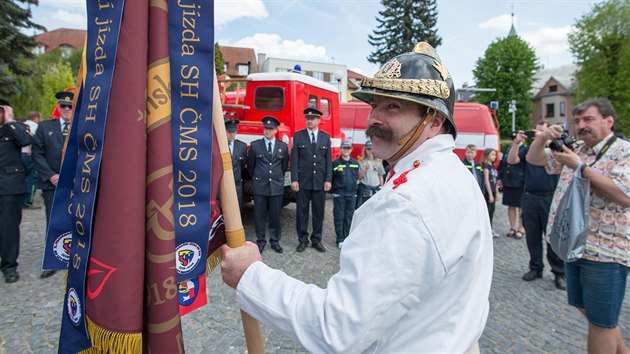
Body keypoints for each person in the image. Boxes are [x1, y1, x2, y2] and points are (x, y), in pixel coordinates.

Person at [221, 42, 493, 353]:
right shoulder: (452, 173)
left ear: (434, 120)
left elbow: (337, 327)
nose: (373, 118)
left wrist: (251, 277)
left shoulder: (409, 202)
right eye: (375, 105)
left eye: (392, 106)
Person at [527, 98, 629, 354]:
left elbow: (624, 196)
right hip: (572, 245)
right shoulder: (578, 149)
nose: (581, 125)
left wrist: (580, 168)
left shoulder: (624, 151)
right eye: (577, 121)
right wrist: (542, 138)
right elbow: (534, 159)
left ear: (609, 121)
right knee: (594, 314)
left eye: (588, 119)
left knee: (601, 323)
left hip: (606, 251)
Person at [512, 120, 564, 290]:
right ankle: (536, 267)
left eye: (543, 131)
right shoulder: (529, 150)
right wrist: (516, 143)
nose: (539, 133)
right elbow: (512, 161)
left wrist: (549, 140)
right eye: (538, 131)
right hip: (530, 196)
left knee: (552, 237)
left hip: (550, 196)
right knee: (532, 236)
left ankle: (558, 272)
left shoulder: (555, 150)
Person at [33, 91, 74, 279]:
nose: (66, 109)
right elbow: (37, 153)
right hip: (53, 183)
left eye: (70, 106)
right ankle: (52, 259)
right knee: (52, 220)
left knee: (78, 219)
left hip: (77, 184)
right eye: (63, 106)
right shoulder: (45, 127)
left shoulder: (84, 126)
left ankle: (75, 256)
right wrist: (50, 175)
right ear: (58, 107)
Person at [0, 99, 33, 283]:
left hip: (9, 186)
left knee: (8, 228)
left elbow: (26, 140)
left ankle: (9, 266)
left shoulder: (13, 130)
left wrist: (11, 121)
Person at [291, 107, 332, 253]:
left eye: (313, 118)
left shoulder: (325, 137)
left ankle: (316, 240)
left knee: (318, 213)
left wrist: (328, 179)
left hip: (320, 182)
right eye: (308, 118)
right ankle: (302, 240)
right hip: (303, 181)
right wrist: (294, 179)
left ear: (318, 120)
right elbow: (294, 159)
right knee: (301, 212)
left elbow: (328, 160)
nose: (310, 121)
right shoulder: (299, 136)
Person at [248, 116, 289, 254]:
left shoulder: (282, 147)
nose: (268, 131)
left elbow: (283, 167)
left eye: (271, 129)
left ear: (276, 130)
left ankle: (275, 240)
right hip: (260, 186)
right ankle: (260, 241)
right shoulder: (255, 146)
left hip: (276, 186)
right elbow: (251, 167)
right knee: (259, 215)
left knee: (275, 215)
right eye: (266, 128)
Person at [330, 140, 359, 248]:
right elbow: (331, 178)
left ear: (351, 150)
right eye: (344, 148)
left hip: (352, 194)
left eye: (348, 148)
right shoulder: (336, 164)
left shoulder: (355, 163)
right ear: (340, 149)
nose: (346, 150)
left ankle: (347, 237)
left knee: (349, 216)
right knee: (339, 216)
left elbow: (357, 177)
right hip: (339, 193)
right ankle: (340, 239)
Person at [498, 133, 526, 239]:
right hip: (508, 181)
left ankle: (521, 228)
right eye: (513, 138)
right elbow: (503, 164)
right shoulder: (508, 148)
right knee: (510, 206)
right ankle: (512, 227)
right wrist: (500, 178)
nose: (515, 140)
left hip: (520, 181)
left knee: (521, 207)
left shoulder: (524, 149)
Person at [21, 111, 42, 209]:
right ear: (36, 118)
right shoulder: (35, 126)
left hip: (20, 154)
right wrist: (30, 150)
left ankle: (21, 199)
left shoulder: (22, 125)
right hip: (29, 155)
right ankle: (28, 200)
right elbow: (32, 139)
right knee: (31, 177)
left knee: (22, 177)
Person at [355, 140, 385, 209]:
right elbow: (359, 176)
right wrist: (365, 168)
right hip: (365, 188)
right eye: (368, 149)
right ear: (365, 150)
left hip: (375, 188)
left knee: (374, 209)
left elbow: (380, 176)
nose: (370, 151)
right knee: (363, 208)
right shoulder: (361, 161)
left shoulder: (378, 162)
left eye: (372, 149)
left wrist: (382, 187)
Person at [225, 118, 247, 207]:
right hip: (223, 184)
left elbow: (241, 164)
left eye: (234, 132)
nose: (232, 135)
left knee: (236, 208)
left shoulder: (242, 146)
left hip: (236, 184)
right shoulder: (219, 145)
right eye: (230, 132)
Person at [481, 148, 499, 238]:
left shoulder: (492, 166)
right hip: (488, 192)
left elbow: (494, 180)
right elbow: (487, 181)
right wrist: (490, 194)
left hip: (493, 191)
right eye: (492, 154)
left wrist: (497, 192)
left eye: (494, 155)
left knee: (492, 210)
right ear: (487, 156)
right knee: (488, 210)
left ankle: (490, 227)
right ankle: (487, 229)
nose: (494, 156)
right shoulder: (486, 167)